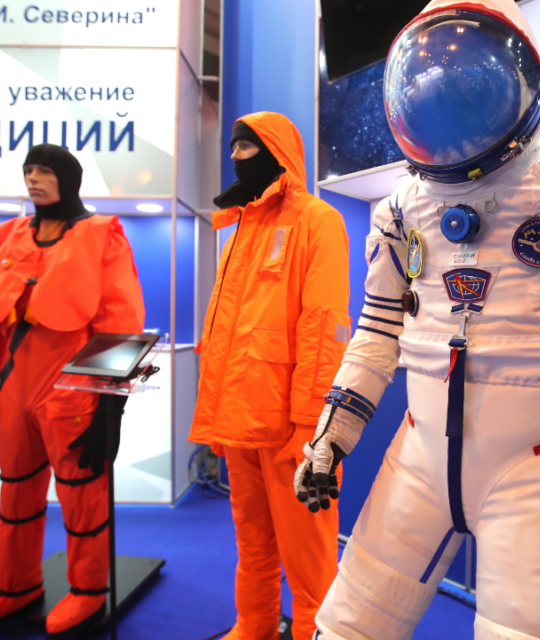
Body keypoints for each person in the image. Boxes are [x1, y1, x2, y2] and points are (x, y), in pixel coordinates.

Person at [294, 1, 540, 638]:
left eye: (469, 75)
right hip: (419, 455)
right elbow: (377, 333)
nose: (445, 91)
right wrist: (332, 434)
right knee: (345, 626)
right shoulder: (401, 210)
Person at [0, 144, 144, 636]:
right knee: (15, 489)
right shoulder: (10, 237)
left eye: (45, 170)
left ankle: (88, 590)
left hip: (73, 386)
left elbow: (120, 323)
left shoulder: (101, 235)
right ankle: (14, 584)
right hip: (16, 385)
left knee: (82, 490)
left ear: (68, 178)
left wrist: (111, 405)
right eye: (29, 171)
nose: (34, 178)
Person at [189, 112, 350, 640]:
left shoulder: (316, 219)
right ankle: (253, 625)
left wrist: (313, 425)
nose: (236, 156)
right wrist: (215, 416)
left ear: (277, 152)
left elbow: (324, 327)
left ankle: (313, 633)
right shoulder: (238, 227)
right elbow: (228, 330)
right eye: (232, 147)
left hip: (291, 430)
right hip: (239, 421)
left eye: (247, 146)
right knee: (252, 542)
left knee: (309, 557)